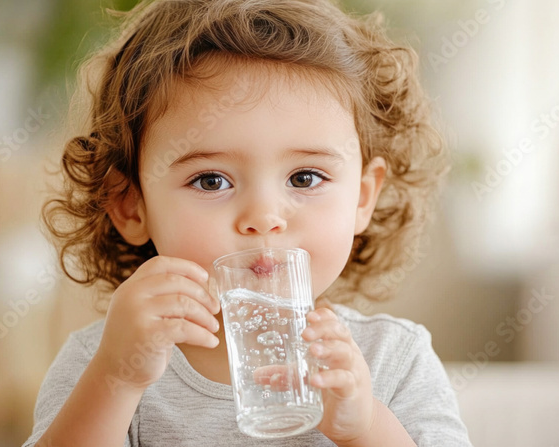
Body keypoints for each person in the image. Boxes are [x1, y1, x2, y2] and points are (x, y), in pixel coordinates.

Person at [26, 0, 472, 445]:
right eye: (211, 180)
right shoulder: (103, 362)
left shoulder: (395, 359)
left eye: (304, 177)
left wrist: (367, 428)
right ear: (132, 207)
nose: (264, 218)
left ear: (362, 196)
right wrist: (116, 380)